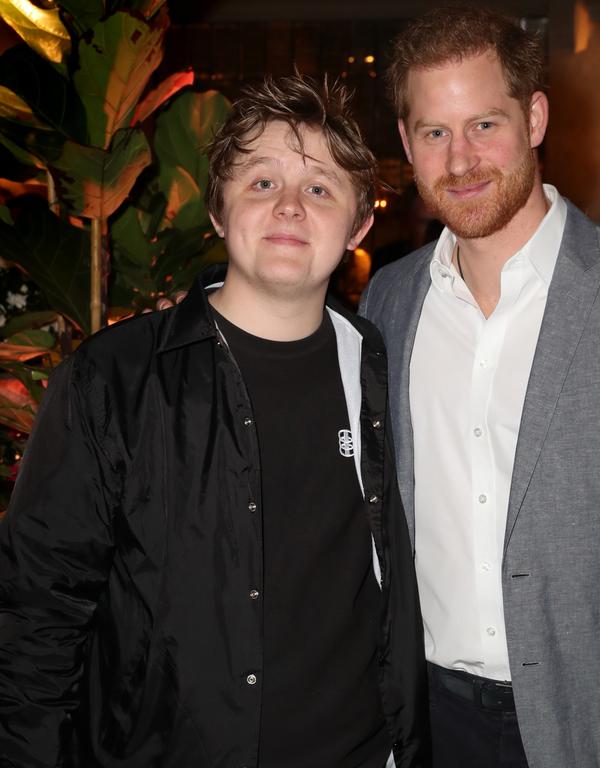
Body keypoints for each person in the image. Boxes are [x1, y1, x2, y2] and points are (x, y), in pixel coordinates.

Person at [359, 6, 600, 767]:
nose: (461, 160)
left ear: (535, 117)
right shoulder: (390, 300)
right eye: (435, 133)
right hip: (428, 723)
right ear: (407, 144)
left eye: (485, 124)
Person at [0, 75, 429, 768]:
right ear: (219, 213)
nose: (290, 206)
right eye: (261, 182)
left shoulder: (383, 367)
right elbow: (35, 616)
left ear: (359, 225)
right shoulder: (114, 379)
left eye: (319, 188)